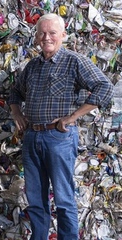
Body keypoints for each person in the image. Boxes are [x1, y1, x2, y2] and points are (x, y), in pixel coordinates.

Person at [8, 13, 114, 240]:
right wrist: (17, 112)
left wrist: (74, 116)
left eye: (52, 33)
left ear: (63, 35)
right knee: (35, 200)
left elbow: (104, 87)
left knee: (64, 199)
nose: (47, 37)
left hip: (59, 138)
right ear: (36, 37)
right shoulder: (32, 66)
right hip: (32, 137)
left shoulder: (74, 61)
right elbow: (15, 92)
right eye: (42, 33)